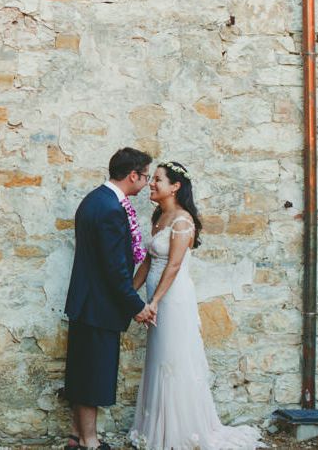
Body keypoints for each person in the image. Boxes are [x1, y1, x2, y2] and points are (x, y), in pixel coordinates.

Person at [129, 162, 262, 450]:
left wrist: (153, 302)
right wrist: (128, 294)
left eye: (158, 180)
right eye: (151, 180)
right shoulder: (160, 217)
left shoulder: (182, 221)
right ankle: (158, 429)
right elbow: (149, 261)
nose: (151, 184)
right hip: (156, 297)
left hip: (172, 299)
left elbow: (174, 265)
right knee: (158, 360)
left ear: (175, 186)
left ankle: (181, 431)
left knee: (173, 360)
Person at [64, 147, 156, 450]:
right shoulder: (110, 210)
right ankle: (91, 442)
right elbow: (115, 270)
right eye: (144, 177)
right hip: (98, 306)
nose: (146, 184)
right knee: (93, 377)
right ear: (132, 175)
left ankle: (77, 436)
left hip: (86, 302)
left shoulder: (95, 199)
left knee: (82, 372)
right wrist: (137, 306)